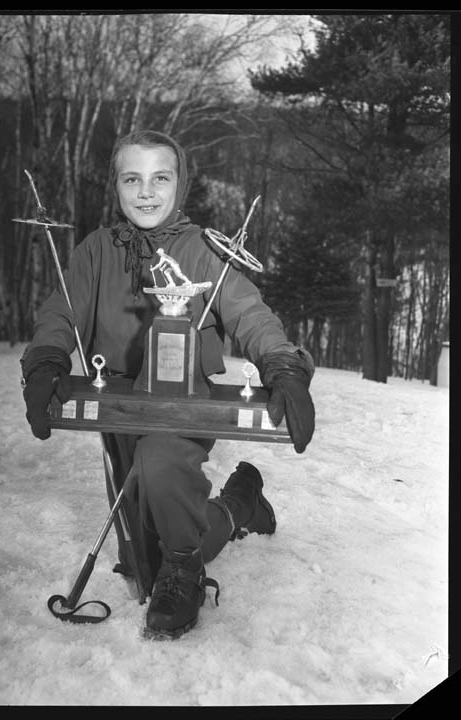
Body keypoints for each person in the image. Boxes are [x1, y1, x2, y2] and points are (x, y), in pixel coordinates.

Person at [20, 129, 315, 640]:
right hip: (118, 403)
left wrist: (282, 365)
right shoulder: (96, 250)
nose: (146, 192)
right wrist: (46, 358)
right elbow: (62, 310)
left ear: (180, 184)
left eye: (160, 178)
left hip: (183, 403)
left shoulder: (203, 250)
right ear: (116, 184)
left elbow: (249, 314)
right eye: (132, 179)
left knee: (165, 505)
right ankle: (240, 503)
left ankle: (185, 572)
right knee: (143, 560)